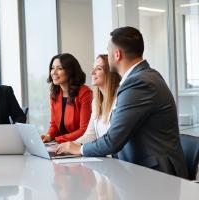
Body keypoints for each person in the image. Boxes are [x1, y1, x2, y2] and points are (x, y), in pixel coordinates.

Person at [56, 26, 188, 178]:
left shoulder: (139, 82)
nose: (108, 55)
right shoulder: (145, 76)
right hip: (140, 168)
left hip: (156, 174)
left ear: (117, 54)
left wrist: (79, 149)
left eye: (108, 50)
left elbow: (113, 140)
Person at [42, 53, 93, 144]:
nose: (54, 72)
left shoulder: (85, 93)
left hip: (79, 145)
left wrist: (58, 140)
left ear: (70, 71)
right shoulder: (55, 94)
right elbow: (54, 125)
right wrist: (48, 136)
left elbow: (84, 130)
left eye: (59, 68)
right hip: (61, 145)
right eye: (52, 68)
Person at [74, 54, 121, 144]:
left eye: (99, 69)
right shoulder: (96, 102)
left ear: (110, 73)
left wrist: (78, 148)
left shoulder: (119, 99)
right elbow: (91, 135)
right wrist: (70, 146)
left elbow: (113, 139)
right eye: (93, 68)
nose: (92, 72)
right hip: (105, 156)